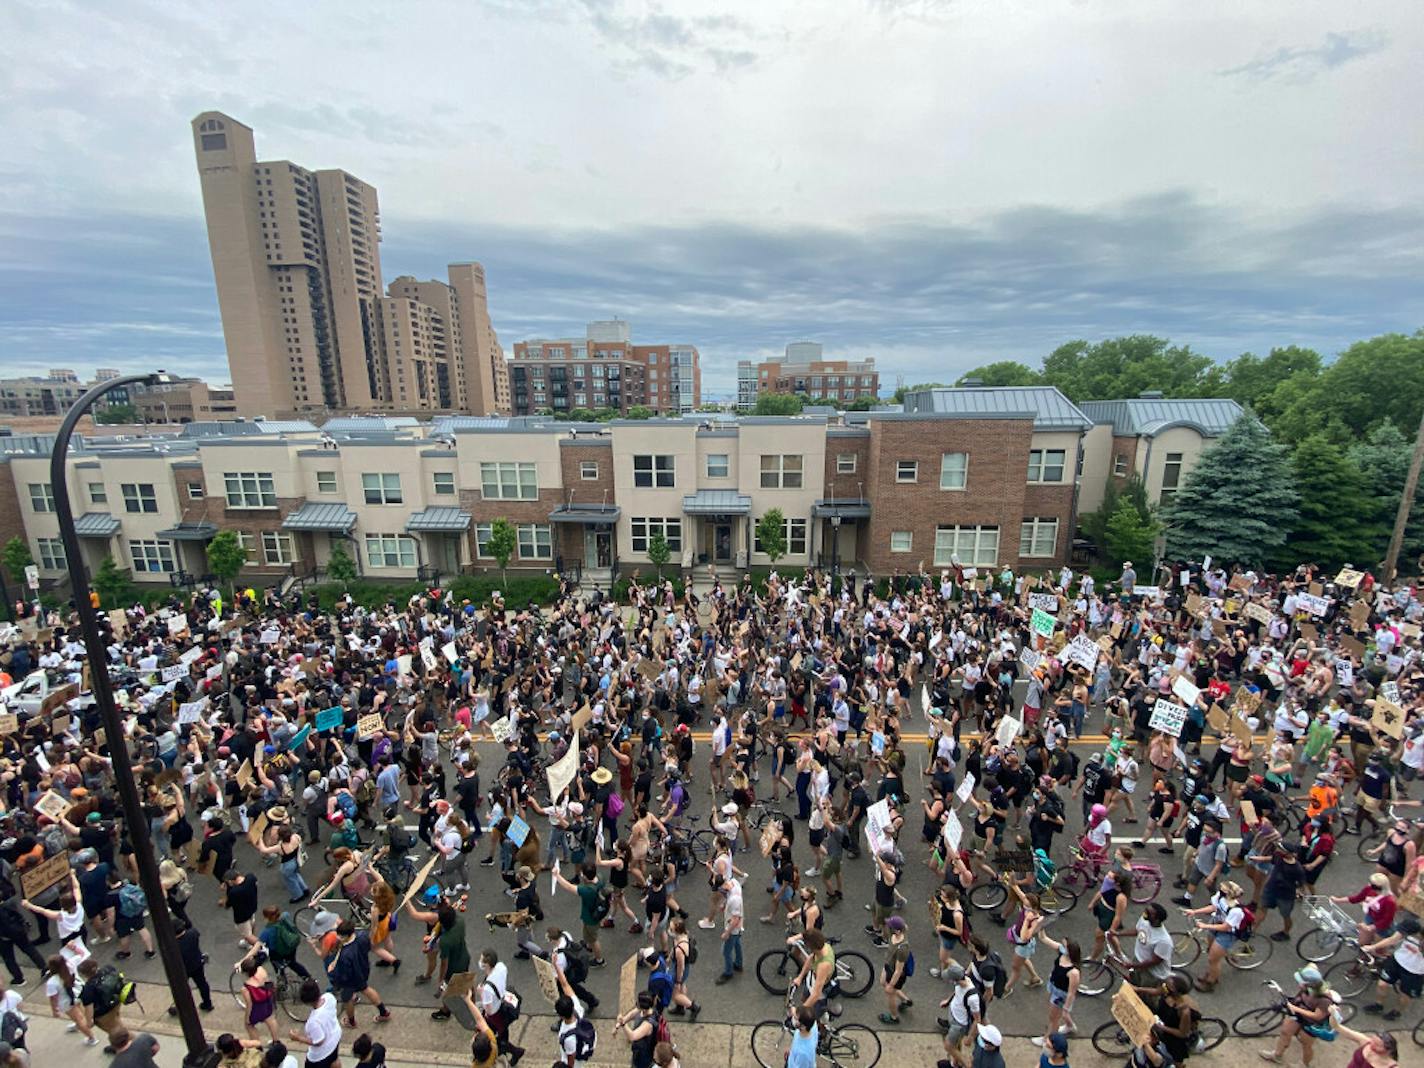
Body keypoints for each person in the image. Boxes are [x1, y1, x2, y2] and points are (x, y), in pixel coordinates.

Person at [1258, 964, 1338, 1065]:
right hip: (1298, 1012)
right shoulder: (1308, 987)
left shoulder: (1324, 999)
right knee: (1285, 1032)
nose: (1299, 984)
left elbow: (1317, 1016)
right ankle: (1277, 1055)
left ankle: (1304, 1065)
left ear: (1309, 985)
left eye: (1301, 982)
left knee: (1306, 1045)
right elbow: (1312, 965)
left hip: (1311, 1023)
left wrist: (1296, 1008)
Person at [326, 920, 392, 1028]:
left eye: (340, 935)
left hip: (350, 980)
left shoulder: (345, 954)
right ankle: (383, 1012)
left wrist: (333, 973)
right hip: (363, 969)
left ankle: (351, 1021)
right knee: (366, 989)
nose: (338, 937)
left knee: (347, 999)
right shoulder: (362, 936)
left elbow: (344, 974)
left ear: (347, 935)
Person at [41, 953, 98, 1046]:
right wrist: (74, 948)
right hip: (78, 993)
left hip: (66, 1002)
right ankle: (78, 1025)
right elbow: (82, 954)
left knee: (79, 1019)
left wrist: (55, 1010)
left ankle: (91, 1038)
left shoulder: (52, 982)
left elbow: (53, 998)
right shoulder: (71, 964)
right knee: (79, 1012)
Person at [287, 978, 343, 1068]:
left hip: (321, 1054)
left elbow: (319, 1041)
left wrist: (298, 1038)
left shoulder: (313, 1022)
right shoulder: (329, 997)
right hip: (335, 1038)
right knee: (334, 1060)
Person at [879, 914, 912, 1024]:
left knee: (890, 993)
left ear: (897, 931)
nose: (887, 927)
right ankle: (906, 1000)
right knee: (883, 982)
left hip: (896, 974)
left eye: (890, 926)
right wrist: (885, 967)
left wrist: (891, 985)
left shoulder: (902, 949)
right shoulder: (895, 934)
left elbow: (898, 971)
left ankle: (894, 1017)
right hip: (889, 966)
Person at [714, 873, 743, 985]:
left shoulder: (734, 900)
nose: (719, 892)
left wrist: (727, 932)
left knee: (726, 951)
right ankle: (739, 964)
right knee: (737, 944)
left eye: (719, 889)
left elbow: (735, 920)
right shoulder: (734, 883)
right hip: (738, 926)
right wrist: (725, 904)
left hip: (733, 927)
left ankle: (728, 972)